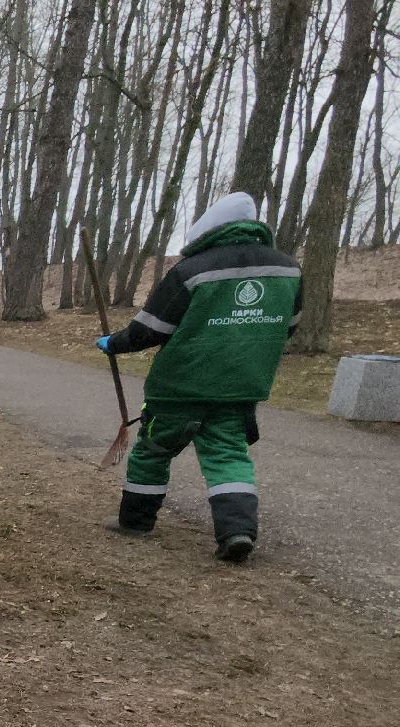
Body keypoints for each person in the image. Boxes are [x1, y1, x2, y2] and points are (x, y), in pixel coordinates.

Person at [98, 191, 302, 563]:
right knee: (228, 455)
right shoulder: (288, 270)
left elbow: (151, 328)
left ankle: (136, 522)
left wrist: (114, 343)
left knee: (153, 451)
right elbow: (287, 327)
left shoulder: (192, 271)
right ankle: (237, 532)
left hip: (179, 387)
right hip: (240, 386)